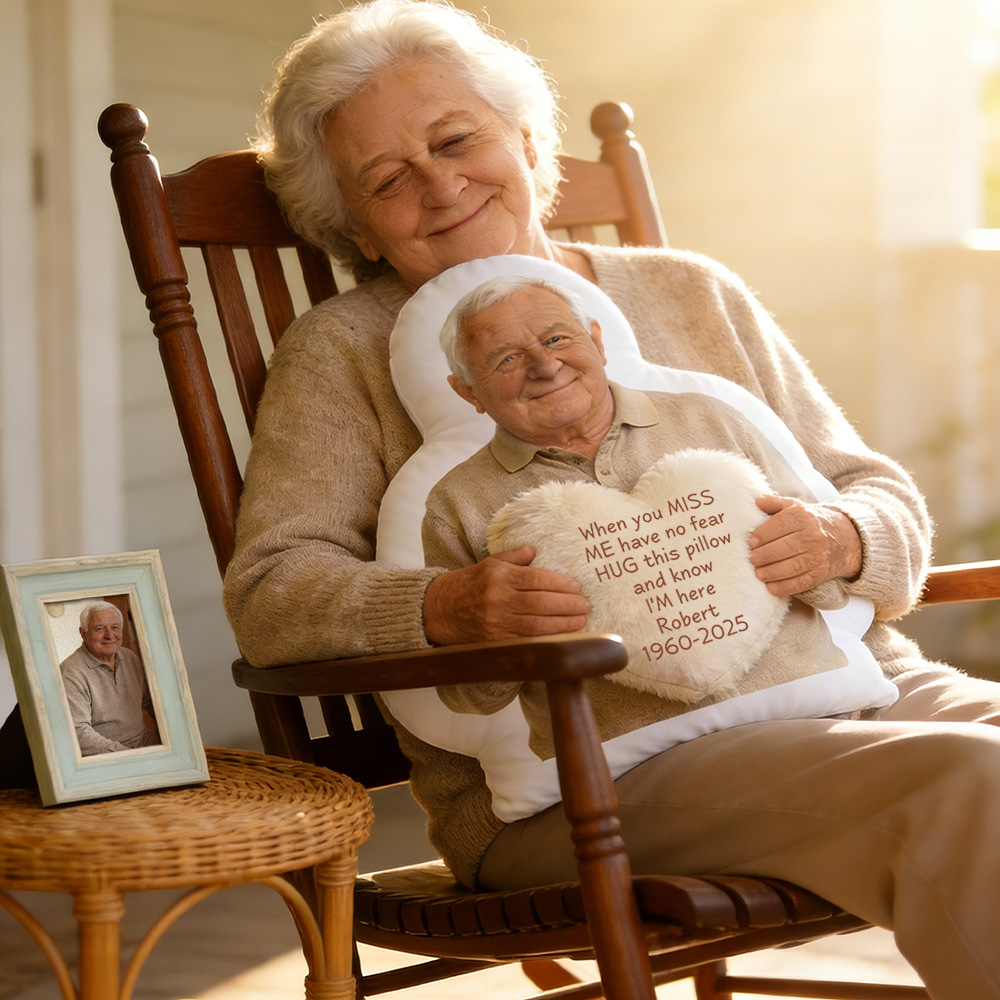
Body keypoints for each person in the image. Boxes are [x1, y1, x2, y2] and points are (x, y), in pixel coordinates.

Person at [221, 2, 1000, 995]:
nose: (442, 184)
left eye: (457, 140)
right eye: (388, 180)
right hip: (583, 779)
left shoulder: (687, 291)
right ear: (353, 226)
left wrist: (842, 540)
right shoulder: (338, 356)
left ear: (528, 142)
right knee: (969, 786)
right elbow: (273, 591)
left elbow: (868, 485)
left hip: (853, 693)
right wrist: (443, 607)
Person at [422, 273, 855, 724]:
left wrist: (832, 547)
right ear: (468, 391)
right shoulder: (458, 501)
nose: (545, 366)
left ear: (596, 341)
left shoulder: (710, 419)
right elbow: (472, 699)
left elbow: (834, 588)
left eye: (556, 338)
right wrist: (487, 633)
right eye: (508, 358)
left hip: (830, 710)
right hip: (639, 762)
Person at [60, 602, 160, 756]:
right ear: (83, 633)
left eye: (115, 627)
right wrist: (128, 756)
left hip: (144, 739)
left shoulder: (129, 657)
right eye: (99, 629)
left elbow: (150, 701)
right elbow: (78, 732)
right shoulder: (70, 672)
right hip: (105, 754)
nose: (109, 635)